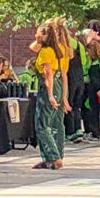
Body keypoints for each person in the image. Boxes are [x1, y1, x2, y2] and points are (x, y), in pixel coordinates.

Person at [29, 21, 68, 170]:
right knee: (57, 123)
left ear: (45, 35)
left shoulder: (46, 52)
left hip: (48, 88)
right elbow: (61, 74)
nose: (36, 35)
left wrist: (50, 94)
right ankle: (56, 155)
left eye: (39, 33)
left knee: (42, 124)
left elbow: (48, 74)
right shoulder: (57, 51)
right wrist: (63, 96)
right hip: (58, 85)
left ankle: (53, 156)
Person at [81, 37, 100, 142]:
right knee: (93, 112)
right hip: (92, 89)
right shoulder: (91, 61)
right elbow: (86, 73)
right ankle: (95, 134)